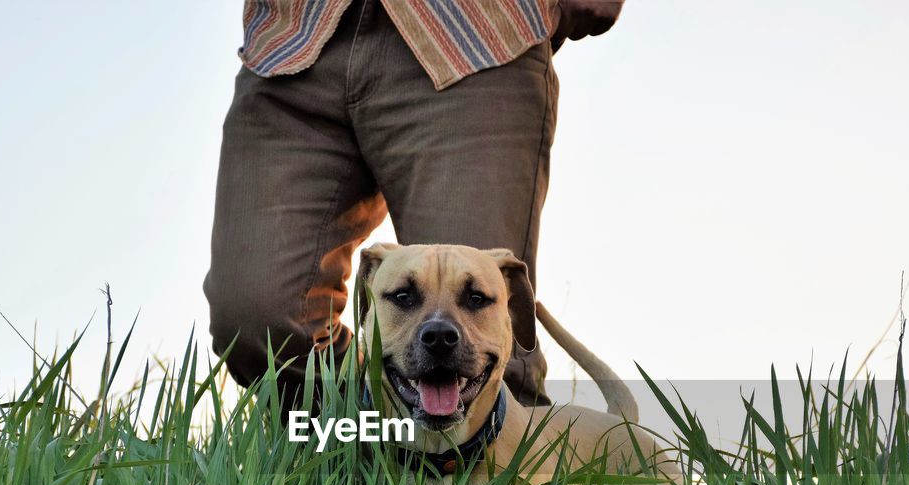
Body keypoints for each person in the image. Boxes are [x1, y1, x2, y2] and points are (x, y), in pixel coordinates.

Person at [203, 0, 625, 408]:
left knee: (476, 341)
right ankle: (357, 455)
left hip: (475, 34)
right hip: (291, 39)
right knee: (255, 319)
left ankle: (484, 472)